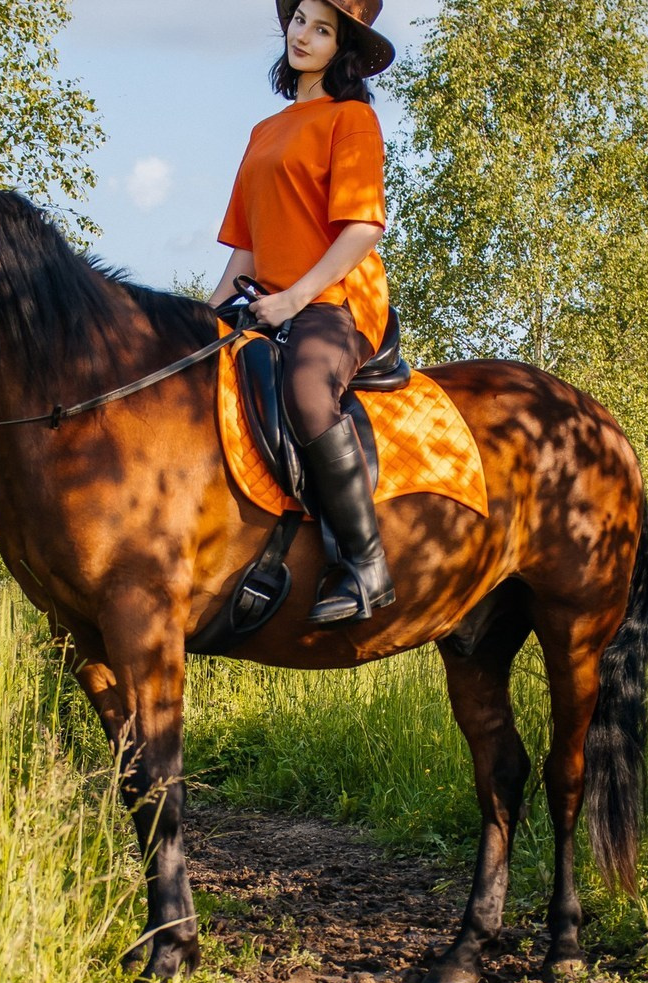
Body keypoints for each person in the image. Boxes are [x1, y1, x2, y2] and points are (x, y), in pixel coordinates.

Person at [208, 0, 397, 626]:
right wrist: (204, 316)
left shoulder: (352, 120)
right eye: (299, 21)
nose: (304, 36)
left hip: (336, 301)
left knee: (308, 391)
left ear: (342, 47)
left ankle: (366, 564)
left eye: (323, 29)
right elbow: (246, 247)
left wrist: (295, 297)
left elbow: (362, 229)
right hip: (267, 300)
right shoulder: (265, 130)